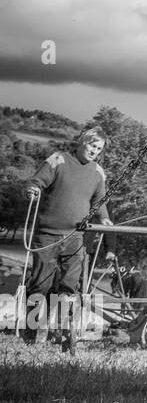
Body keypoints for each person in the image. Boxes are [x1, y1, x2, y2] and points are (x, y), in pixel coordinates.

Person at [22, 126, 114, 351]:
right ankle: (32, 334)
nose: (95, 151)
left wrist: (104, 219)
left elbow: (100, 202)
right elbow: (36, 181)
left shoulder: (98, 172)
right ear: (83, 141)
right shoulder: (58, 160)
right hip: (47, 234)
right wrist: (33, 189)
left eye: (99, 149)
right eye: (93, 145)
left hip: (77, 238)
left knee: (69, 287)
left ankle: (62, 333)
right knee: (40, 284)